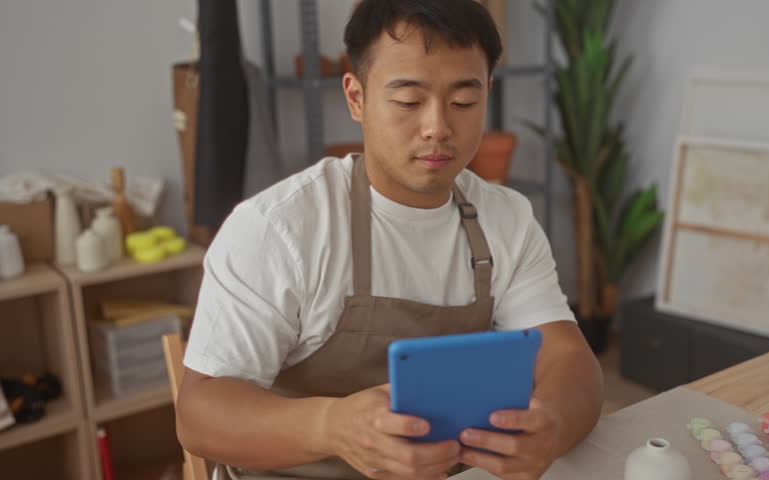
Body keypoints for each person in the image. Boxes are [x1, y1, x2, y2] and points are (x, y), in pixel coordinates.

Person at [176, 1, 603, 479]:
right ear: (355, 97)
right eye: (407, 101)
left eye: (464, 101)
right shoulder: (279, 228)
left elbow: (569, 359)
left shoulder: (506, 218)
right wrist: (331, 425)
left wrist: (554, 425)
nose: (437, 128)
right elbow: (199, 415)